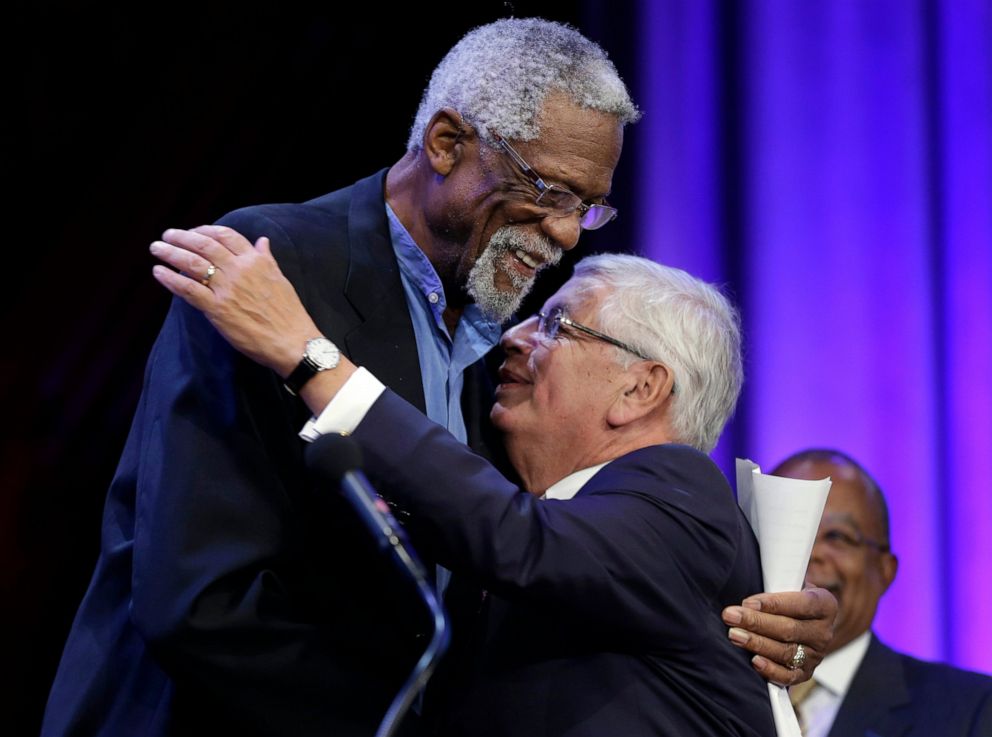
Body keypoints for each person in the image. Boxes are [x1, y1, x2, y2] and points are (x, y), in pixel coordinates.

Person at [43, 18, 833, 737]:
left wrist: (769, 613)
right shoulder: (272, 277)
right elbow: (199, 601)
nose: (564, 234)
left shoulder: (504, 348)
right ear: (448, 143)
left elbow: (529, 546)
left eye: (588, 207)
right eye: (549, 191)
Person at [151, 240, 779, 735]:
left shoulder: (681, 490)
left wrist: (307, 356)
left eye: (557, 326)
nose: (515, 336)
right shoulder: (569, 517)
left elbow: (516, 539)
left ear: (639, 389)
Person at [773, 450, 992, 737]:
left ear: (885, 571)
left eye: (836, 536)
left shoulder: (971, 711)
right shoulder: (705, 693)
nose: (809, 553)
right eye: (788, 534)